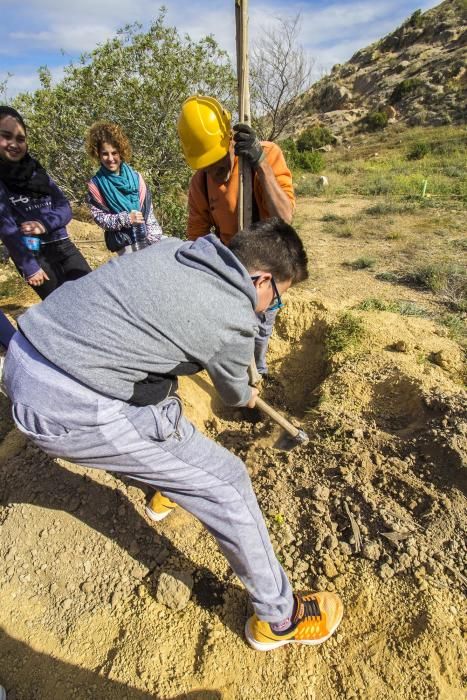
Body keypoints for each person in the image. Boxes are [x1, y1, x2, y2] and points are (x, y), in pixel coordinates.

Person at [3, 217, 343, 651]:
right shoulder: (234, 318)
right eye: (275, 297)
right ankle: (279, 620)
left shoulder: (174, 250)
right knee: (228, 483)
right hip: (67, 402)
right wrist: (247, 385)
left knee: (164, 403)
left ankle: (167, 482)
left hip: (27, 349)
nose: (269, 308)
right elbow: (235, 393)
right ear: (260, 279)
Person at [178, 94, 296, 378]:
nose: (215, 173)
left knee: (263, 321)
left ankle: (260, 370)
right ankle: (242, 375)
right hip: (234, 266)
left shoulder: (266, 154)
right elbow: (196, 238)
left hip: (270, 261)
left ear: (230, 139)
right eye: (206, 167)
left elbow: (285, 216)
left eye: (219, 163)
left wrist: (260, 164)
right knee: (236, 325)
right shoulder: (201, 183)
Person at [0, 106, 91, 299]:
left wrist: (44, 224)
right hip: (33, 253)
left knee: (92, 294)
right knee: (61, 308)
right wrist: (30, 268)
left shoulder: (36, 172)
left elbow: (65, 207)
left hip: (63, 244)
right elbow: (7, 229)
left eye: (20, 139)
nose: (14, 144)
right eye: (6, 136)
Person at [86, 121, 163, 255]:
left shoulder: (136, 177)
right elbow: (100, 218)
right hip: (125, 246)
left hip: (149, 241)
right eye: (105, 154)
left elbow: (148, 211)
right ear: (97, 154)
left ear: (121, 152)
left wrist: (154, 238)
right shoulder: (96, 184)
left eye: (114, 153)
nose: (110, 159)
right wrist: (126, 219)